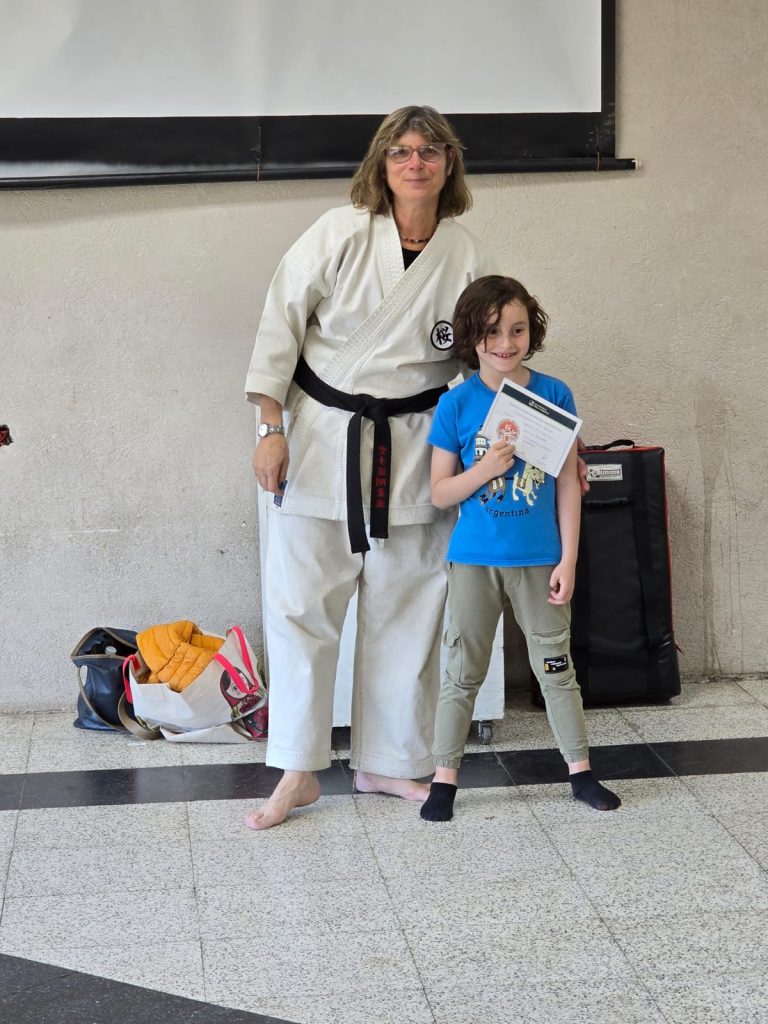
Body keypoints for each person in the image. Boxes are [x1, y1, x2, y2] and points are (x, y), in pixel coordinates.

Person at [244, 106, 498, 830]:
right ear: (381, 164)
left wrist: (504, 442)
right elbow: (279, 325)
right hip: (322, 437)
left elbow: (485, 360)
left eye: (431, 151)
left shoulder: (464, 251)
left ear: (450, 164)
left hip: (418, 445)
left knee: (409, 607)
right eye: (401, 152)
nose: (416, 163)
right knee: (301, 606)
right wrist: (270, 428)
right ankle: (298, 770)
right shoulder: (339, 231)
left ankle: (386, 761)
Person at [420, 275, 621, 822]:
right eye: (491, 332)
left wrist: (569, 558)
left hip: (539, 560)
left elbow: (568, 483)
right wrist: (484, 468)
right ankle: (444, 780)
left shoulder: (554, 395)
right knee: (462, 671)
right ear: (471, 337)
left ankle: (580, 772)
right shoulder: (456, 404)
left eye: (517, 329)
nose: (505, 343)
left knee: (556, 667)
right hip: (474, 561)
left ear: (532, 331)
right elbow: (440, 492)